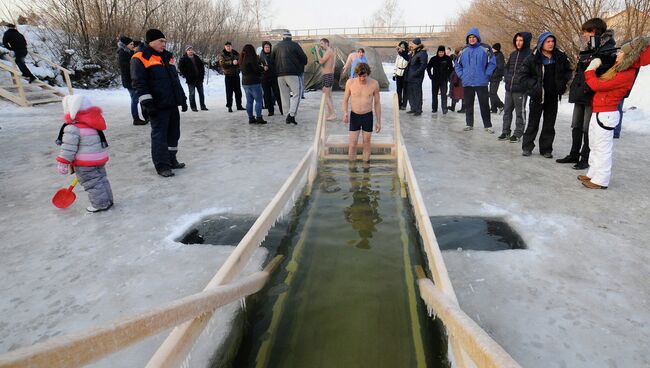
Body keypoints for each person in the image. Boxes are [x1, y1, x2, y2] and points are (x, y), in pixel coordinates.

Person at [580, 40, 644, 189]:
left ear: (629, 56)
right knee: (594, 145)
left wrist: (590, 70)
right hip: (600, 111)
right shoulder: (617, 69)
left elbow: (598, 85)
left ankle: (601, 180)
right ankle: (593, 173)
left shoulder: (626, 74)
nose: (617, 54)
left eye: (621, 52)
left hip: (606, 113)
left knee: (603, 148)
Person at [558, 19, 616, 170]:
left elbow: (605, 71)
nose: (584, 34)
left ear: (595, 31)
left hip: (592, 93)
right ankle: (574, 154)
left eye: (586, 31)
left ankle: (585, 158)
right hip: (580, 91)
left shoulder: (609, 48)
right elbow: (580, 70)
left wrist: (596, 60)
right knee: (576, 125)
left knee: (586, 127)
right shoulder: (589, 47)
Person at [131, 28, 188, 177]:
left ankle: (171, 159)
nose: (164, 44)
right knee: (159, 136)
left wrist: (182, 99)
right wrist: (148, 105)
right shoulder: (140, 57)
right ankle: (162, 165)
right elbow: (139, 84)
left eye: (165, 41)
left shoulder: (167, 57)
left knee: (174, 134)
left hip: (171, 103)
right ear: (151, 41)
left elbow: (175, 81)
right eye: (161, 41)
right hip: (157, 106)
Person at [55, 95, 113, 212]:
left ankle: (100, 204)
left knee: (92, 184)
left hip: (85, 163)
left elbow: (68, 147)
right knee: (101, 180)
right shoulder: (93, 122)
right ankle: (108, 201)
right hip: (98, 159)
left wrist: (63, 162)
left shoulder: (72, 128)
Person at [518, 32, 572, 158]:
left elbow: (568, 72)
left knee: (549, 124)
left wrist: (563, 84)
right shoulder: (532, 58)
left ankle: (546, 149)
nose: (551, 44)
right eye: (547, 41)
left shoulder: (560, 56)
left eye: (552, 41)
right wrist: (534, 87)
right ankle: (527, 147)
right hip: (538, 97)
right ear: (541, 43)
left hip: (552, 96)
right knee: (533, 123)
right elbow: (522, 77)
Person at [454, 28, 496, 132]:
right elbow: (457, 65)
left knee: (484, 104)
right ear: (467, 39)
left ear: (477, 38)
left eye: (474, 37)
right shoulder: (463, 50)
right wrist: (462, 75)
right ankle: (469, 124)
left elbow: (492, 62)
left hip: (481, 81)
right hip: (467, 82)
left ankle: (487, 125)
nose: (472, 39)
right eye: (470, 37)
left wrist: (486, 74)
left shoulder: (485, 48)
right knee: (468, 104)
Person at [342, 62, 381, 162]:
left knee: (367, 142)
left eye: (364, 76)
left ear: (368, 74)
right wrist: (345, 112)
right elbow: (345, 99)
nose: (362, 78)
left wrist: (378, 121)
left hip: (367, 116)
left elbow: (377, 103)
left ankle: (366, 169)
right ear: (356, 74)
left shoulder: (374, 84)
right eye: (360, 76)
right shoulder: (350, 83)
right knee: (352, 143)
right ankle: (352, 169)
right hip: (354, 116)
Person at [498, 32, 532, 142]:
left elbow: (531, 72)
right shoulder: (513, 54)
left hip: (521, 90)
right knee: (507, 111)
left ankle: (518, 133)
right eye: (517, 40)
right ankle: (505, 131)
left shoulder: (530, 55)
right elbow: (506, 68)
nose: (518, 42)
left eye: (521, 40)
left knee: (520, 112)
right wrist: (507, 77)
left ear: (525, 41)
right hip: (509, 88)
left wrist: (522, 81)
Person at [271, 31, 307, 125]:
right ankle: (291, 115)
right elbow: (304, 59)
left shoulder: (276, 46)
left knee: (284, 95)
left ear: (282, 38)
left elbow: (272, 61)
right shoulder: (295, 45)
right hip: (293, 74)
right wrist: (299, 66)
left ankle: (287, 115)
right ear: (291, 38)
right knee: (297, 94)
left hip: (279, 75)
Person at [117, 36, 147, 125]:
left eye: (133, 44)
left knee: (135, 99)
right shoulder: (123, 54)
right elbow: (128, 67)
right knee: (135, 100)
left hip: (131, 80)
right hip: (129, 81)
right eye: (131, 44)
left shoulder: (128, 52)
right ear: (126, 45)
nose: (133, 45)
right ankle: (136, 119)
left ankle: (140, 117)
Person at [239, 44, 267, 125]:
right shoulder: (251, 59)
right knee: (258, 101)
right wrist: (263, 68)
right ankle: (259, 118)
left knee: (249, 101)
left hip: (245, 83)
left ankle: (251, 118)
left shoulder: (241, 60)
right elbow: (256, 70)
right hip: (254, 82)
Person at [178, 45, 207, 112]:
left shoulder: (197, 58)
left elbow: (202, 67)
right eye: (189, 50)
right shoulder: (183, 59)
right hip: (191, 80)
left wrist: (202, 76)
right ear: (186, 51)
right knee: (192, 94)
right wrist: (187, 76)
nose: (190, 51)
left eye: (191, 50)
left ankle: (203, 106)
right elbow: (181, 69)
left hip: (199, 79)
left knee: (201, 93)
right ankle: (193, 107)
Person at [217, 41, 244, 113]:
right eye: (227, 46)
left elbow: (240, 60)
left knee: (238, 92)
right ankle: (229, 106)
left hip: (236, 75)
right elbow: (222, 64)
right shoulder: (222, 54)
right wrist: (231, 62)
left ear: (231, 46)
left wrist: (238, 62)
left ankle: (239, 105)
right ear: (225, 47)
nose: (228, 47)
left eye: (229, 46)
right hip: (228, 76)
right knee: (229, 92)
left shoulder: (235, 53)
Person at [427, 45, 453, 114]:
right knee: (434, 94)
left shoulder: (447, 59)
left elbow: (451, 69)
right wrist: (430, 75)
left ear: (444, 52)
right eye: (439, 52)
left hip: (444, 80)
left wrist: (447, 75)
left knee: (444, 95)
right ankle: (434, 108)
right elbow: (428, 67)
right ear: (437, 52)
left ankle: (444, 108)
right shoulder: (433, 59)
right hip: (435, 80)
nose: (441, 53)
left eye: (442, 52)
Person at [314, 38, 336, 120]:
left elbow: (321, 61)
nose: (320, 45)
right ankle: (330, 113)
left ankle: (333, 114)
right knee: (328, 95)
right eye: (320, 44)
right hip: (327, 75)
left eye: (322, 43)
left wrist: (316, 51)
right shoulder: (327, 52)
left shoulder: (329, 51)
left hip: (328, 75)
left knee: (326, 95)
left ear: (327, 43)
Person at [259, 41, 283, 116]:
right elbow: (258, 67)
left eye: (268, 47)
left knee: (277, 93)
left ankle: (282, 109)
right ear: (263, 48)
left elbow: (278, 64)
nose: (267, 48)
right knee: (267, 94)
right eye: (265, 47)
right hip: (264, 77)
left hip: (274, 76)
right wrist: (263, 68)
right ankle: (270, 110)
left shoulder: (274, 54)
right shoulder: (260, 56)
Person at [405, 38, 428, 116]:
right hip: (410, 77)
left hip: (417, 78)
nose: (411, 45)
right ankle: (413, 108)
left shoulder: (422, 53)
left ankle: (418, 110)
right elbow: (407, 59)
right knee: (410, 93)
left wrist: (415, 74)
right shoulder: (414, 52)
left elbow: (423, 66)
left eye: (413, 44)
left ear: (417, 44)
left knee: (417, 93)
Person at [489, 42, 505, 113]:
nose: (492, 49)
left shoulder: (499, 56)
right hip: (492, 77)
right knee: (491, 93)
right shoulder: (495, 55)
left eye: (493, 48)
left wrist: (494, 75)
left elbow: (500, 68)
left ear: (496, 49)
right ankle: (493, 108)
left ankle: (501, 105)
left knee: (493, 93)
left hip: (496, 77)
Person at [393, 41, 410, 110]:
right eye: (401, 47)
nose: (402, 48)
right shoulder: (398, 55)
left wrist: (402, 52)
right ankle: (399, 104)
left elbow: (407, 59)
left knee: (405, 90)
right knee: (398, 90)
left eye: (403, 47)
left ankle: (404, 105)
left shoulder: (408, 55)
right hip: (398, 74)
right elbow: (396, 65)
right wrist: (394, 74)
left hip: (405, 74)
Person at [450, 46, 465, 113]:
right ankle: (453, 107)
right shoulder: (457, 58)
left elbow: (458, 68)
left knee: (461, 93)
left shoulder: (461, 58)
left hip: (459, 78)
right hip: (458, 77)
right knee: (456, 92)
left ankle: (463, 108)